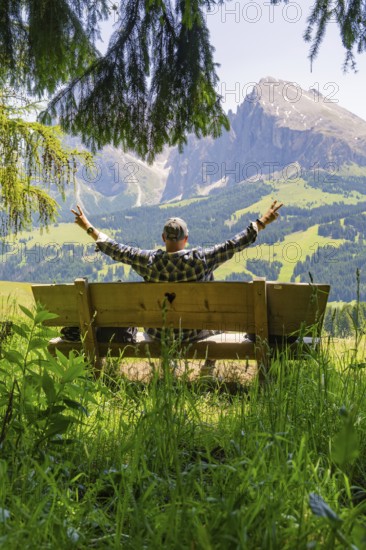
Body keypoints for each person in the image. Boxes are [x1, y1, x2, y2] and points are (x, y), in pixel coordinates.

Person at [70, 201, 283, 374]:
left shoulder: (147, 261)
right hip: (195, 334)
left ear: (163, 238)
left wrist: (88, 227)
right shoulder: (201, 260)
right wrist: (262, 222)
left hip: (159, 334)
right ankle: (208, 368)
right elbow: (233, 245)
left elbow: (116, 249)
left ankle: (168, 365)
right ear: (186, 239)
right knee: (215, 308)